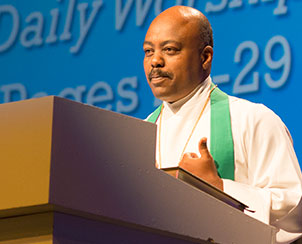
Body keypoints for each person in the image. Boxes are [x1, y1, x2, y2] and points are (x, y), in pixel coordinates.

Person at [143, 5, 302, 244]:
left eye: (170, 49)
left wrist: (219, 188)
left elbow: (294, 212)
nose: (155, 61)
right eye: (148, 51)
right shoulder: (140, 132)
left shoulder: (252, 119)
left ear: (205, 57)